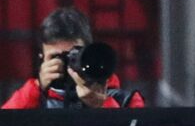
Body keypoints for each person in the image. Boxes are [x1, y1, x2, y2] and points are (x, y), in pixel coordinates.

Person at [3, 7, 143, 109]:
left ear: (88, 53)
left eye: (74, 55)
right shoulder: (31, 99)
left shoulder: (125, 101)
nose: (67, 64)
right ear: (42, 59)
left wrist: (102, 106)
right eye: (56, 57)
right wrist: (37, 89)